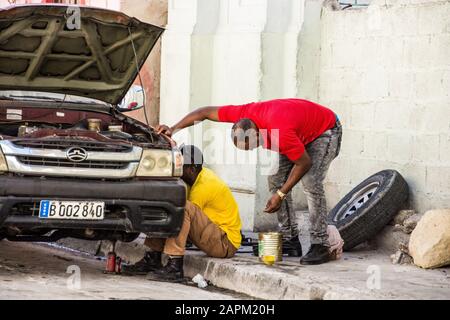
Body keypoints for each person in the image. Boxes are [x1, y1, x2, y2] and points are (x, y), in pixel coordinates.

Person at [156, 98, 342, 265]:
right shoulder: (243, 113)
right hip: (299, 130)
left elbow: (304, 163)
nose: (252, 150)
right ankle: (289, 238)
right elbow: (203, 112)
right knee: (276, 179)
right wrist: (173, 129)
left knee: (311, 183)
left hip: (325, 130)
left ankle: (321, 243)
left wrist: (280, 195)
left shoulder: (281, 133)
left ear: (258, 134)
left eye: (253, 146)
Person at [123, 145, 242, 281]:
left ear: (191, 169)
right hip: (213, 235)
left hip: (224, 243)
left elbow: (183, 219)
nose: (177, 169)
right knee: (166, 204)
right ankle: (153, 259)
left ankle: (175, 266)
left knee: (180, 209)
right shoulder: (193, 179)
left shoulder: (204, 185)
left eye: (181, 166)